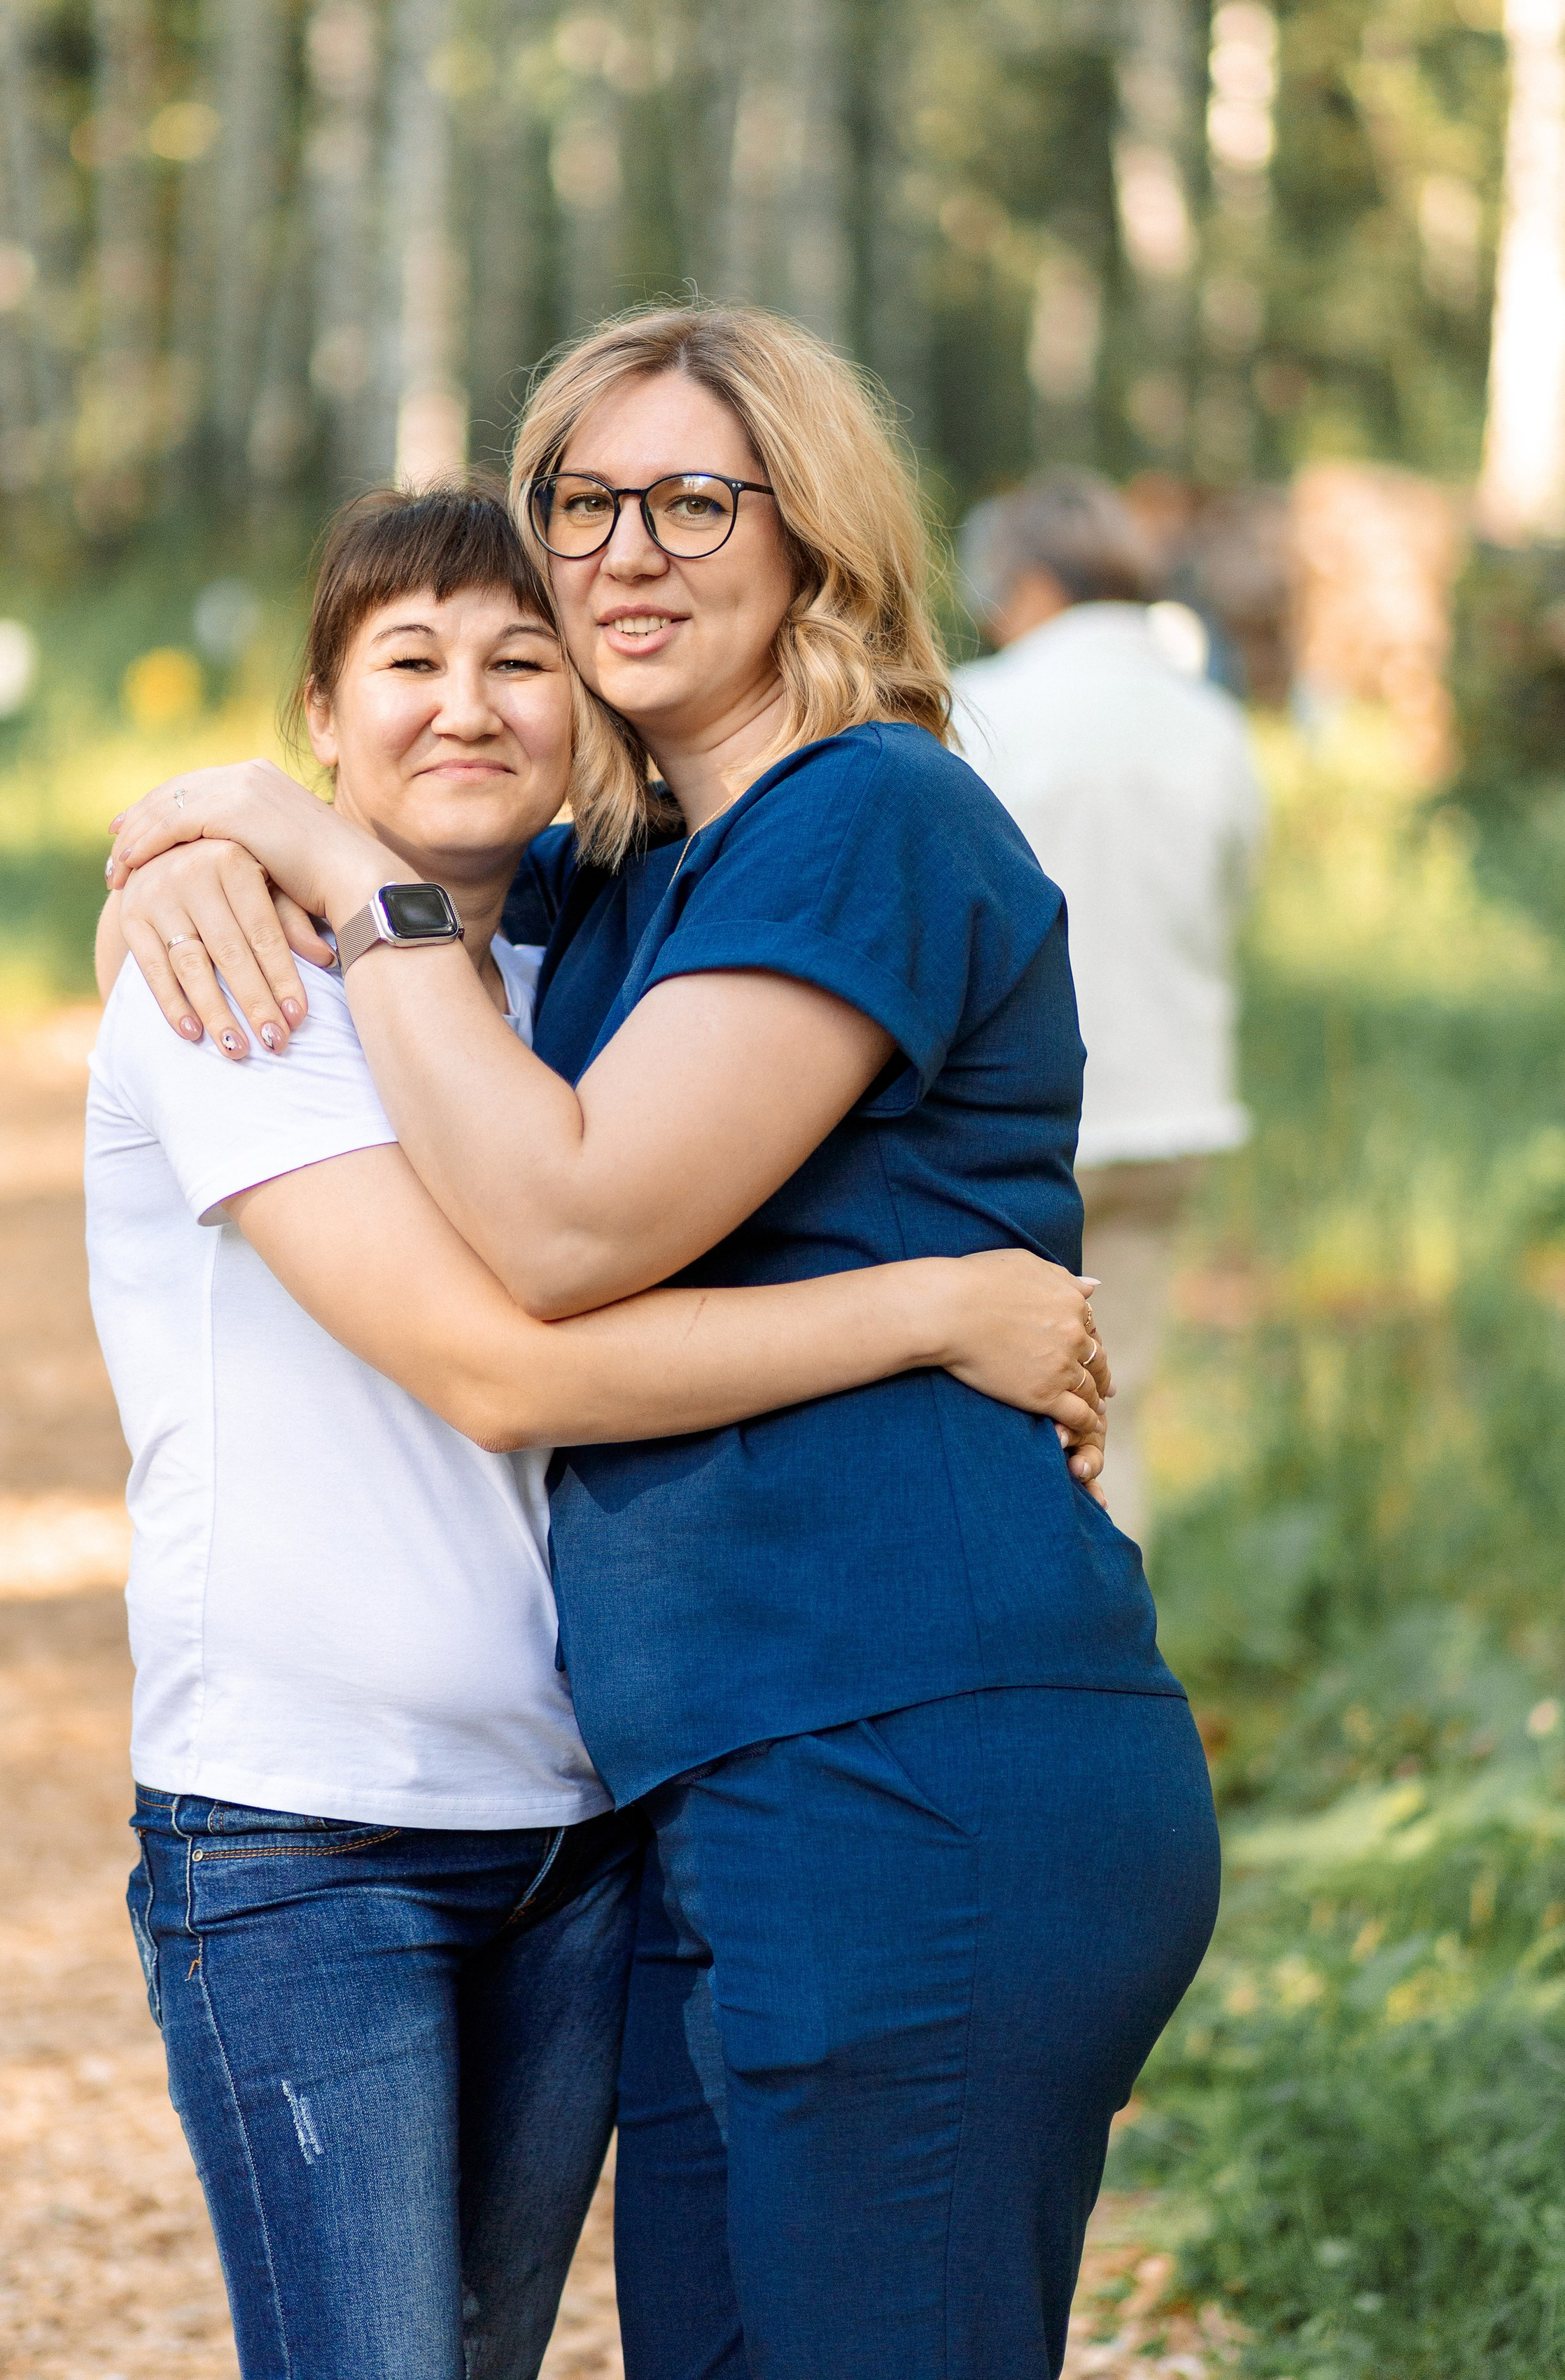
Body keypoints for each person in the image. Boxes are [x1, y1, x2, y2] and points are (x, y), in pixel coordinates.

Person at [104, 308, 1221, 2380]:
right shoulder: (639, 875)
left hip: (917, 1747)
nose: (624, 551)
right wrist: (189, 839)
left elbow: (565, 1222)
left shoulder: (871, 815)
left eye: (696, 500)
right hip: (719, 1785)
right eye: (581, 505)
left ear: (820, 542)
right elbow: (379, 836)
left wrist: (324, 859)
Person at [953, 468, 1265, 1548]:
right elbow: (1233, 902)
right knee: (1114, 1411)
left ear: (1033, 583)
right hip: (1173, 1111)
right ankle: (1121, 1655)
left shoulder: (971, 704)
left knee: (995, 1420)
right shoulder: (1212, 723)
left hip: (1014, 1122)